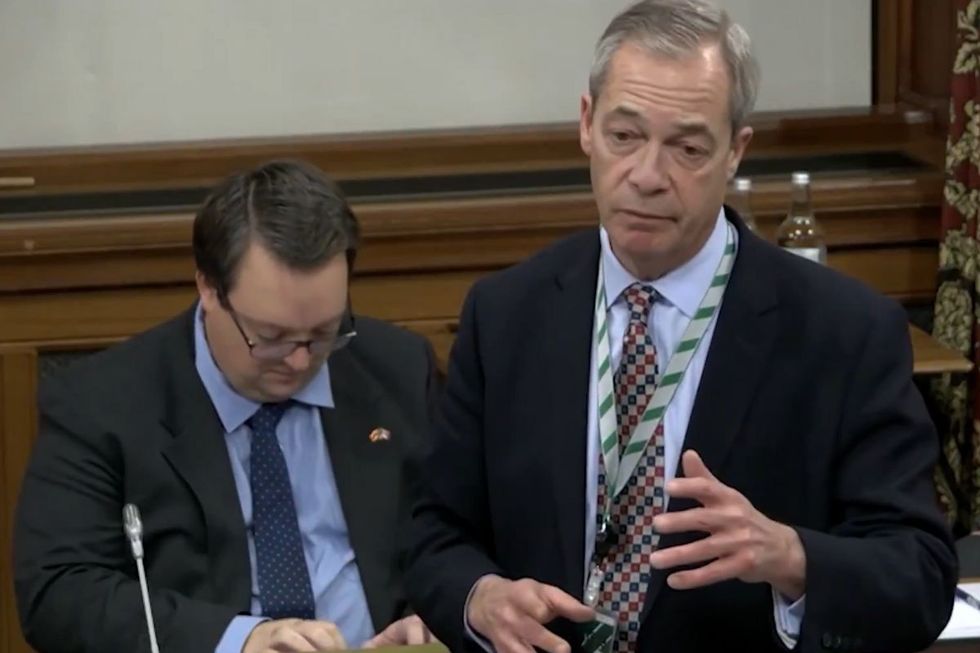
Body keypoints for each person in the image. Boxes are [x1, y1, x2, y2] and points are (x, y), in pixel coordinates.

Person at [404, 2, 958, 652]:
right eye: (624, 136)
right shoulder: (506, 315)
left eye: (687, 148)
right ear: (586, 124)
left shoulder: (843, 332)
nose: (646, 175)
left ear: (735, 152)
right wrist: (481, 597)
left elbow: (920, 575)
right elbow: (434, 532)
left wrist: (791, 555)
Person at [14, 160, 440, 653]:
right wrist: (238, 640)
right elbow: (59, 595)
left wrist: (438, 610)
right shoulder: (101, 405)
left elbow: (460, 531)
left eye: (325, 333)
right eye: (272, 337)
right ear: (208, 289)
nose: (301, 360)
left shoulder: (398, 369)